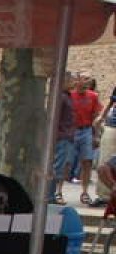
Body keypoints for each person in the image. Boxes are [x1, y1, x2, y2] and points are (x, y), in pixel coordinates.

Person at [69, 71, 104, 205]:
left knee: (87, 162)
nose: (89, 81)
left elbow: (96, 117)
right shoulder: (70, 95)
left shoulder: (93, 96)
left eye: (90, 78)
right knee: (66, 163)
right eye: (86, 78)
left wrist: (96, 136)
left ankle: (84, 192)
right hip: (72, 130)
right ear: (78, 80)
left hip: (86, 130)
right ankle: (58, 191)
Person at [51, 76, 78, 205]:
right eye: (71, 80)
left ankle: (52, 194)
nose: (74, 83)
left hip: (67, 136)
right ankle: (50, 195)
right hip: (62, 136)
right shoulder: (61, 97)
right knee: (57, 167)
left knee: (61, 167)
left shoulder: (67, 96)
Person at [95, 82, 116, 205]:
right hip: (112, 125)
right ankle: (104, 196)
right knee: (105, 160)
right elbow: (111, 101)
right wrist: (101, 117)